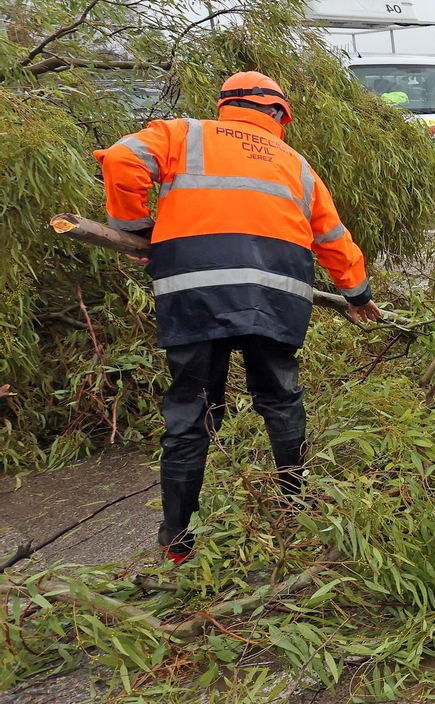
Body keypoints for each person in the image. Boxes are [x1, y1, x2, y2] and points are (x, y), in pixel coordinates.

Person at [95, 71, 383, 565]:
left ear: (227, 105)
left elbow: (122, 159)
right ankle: (296, 510)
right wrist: (357, 293)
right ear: (279, 115)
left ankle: (177, 544)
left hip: (193, 292)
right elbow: (332, 236)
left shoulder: (183, 134)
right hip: (276, 294)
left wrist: (136, 228)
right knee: (280, 398)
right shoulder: (296, 164)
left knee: (191, 412)